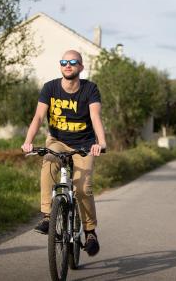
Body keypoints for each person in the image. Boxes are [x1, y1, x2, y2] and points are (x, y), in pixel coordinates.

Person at [21, 50, 106, 257]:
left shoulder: (90, 89)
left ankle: (90, 231)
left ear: (81, 67)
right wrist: (28, 141)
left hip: (84, 144)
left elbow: (95, 117)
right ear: (60, 66)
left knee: (82, 187)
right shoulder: (50, 88)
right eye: (64, 62)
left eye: (73, 62)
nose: (68, 65)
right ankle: (48, 216)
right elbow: (39, 117)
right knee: (49, 162)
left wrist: (101, 142)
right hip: (57, 141)